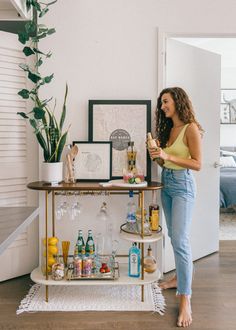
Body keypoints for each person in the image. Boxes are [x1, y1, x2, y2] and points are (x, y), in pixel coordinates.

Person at [148, 87, 203, 328]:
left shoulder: (191, 128)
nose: (162, 107)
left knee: (180, 240)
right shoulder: (170, 129)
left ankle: (185, 298)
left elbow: (197, 163)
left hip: (183, 186)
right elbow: (165, 160)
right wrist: (157, 156)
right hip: (167, 182)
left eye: (165, 102)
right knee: (173, 236)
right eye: (161, 103)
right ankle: (179, 279)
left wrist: (167, 157)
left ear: (177, 101)